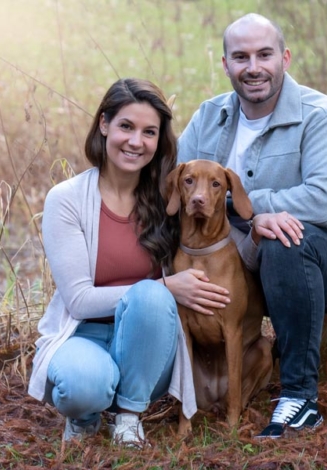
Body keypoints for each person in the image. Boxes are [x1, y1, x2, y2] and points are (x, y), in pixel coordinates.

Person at [177, 14, 327, 439]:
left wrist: (249, 208)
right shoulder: (208, 117)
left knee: (284, 237)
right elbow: (177, 192)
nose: (253, 67)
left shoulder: (323, 117)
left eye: (264, 55)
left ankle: (300, 398)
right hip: (244, 263)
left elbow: (323, 202)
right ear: (225, 64)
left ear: (284, 58)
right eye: (241, 57)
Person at [28, 78, 231, 447]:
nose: (136, 141)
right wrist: (167, 286)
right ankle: (85, 416)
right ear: (104, 124)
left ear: (159, 140)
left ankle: (129, 416)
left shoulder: (169, 198)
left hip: (151, 345)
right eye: (126, 126)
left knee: (150, 299)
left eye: (149, 132)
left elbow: (217, 227)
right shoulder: (67, 199)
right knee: (82, 384)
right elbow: (79, 301)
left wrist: (263, 221)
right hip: (84, 334)